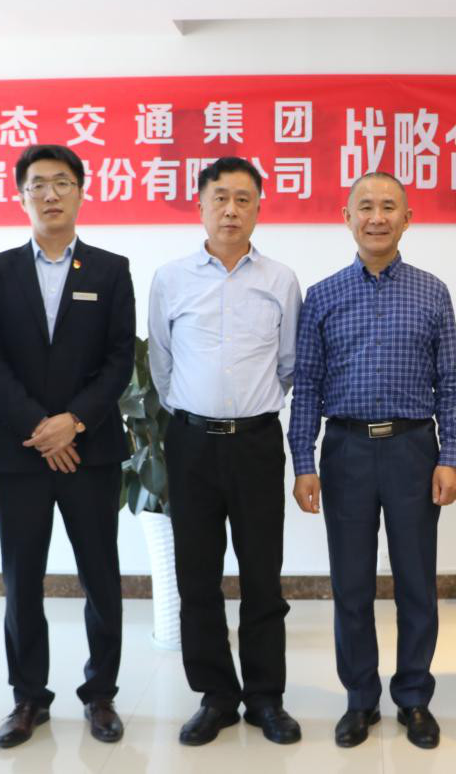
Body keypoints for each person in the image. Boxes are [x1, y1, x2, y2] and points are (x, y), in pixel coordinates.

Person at [289, 172, 456, 750]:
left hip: (415, 450)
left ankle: (413, 697)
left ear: (407, 219)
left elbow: (451, 383)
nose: (377, 217)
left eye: (389, 206)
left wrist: (451, 455)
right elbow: (307, 387)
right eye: (364, 206)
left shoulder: (432, 292)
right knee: (351, 585)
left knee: (417, 582)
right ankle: (360, 698)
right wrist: (304, 462)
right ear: (346, 217)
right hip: (345, 451)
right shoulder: (323, 296)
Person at [0, 144, 135, 748]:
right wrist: (42, 430)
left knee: (100, 576)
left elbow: (119, 359)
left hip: (90, 450)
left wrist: (75, 422)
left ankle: (101, 694)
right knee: (22, 579)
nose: (50, 193)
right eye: (37, 184)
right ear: (21, 196)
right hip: (19, 451)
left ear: (81, 192)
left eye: (62, 182)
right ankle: (27, 698)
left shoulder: (110, 269)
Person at [148, 157, 303, 746]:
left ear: (260, 207)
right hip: (190, 443)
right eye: (220, 198)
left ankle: (265, 697)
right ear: (201, 205)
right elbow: (161, 364)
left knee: (263, 575)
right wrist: (198, 410)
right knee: (197, 577)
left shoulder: (281, 279)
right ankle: (215, 695)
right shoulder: (171, 278)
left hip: (257, 443)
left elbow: (288, 364)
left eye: (243, 199)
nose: (231, 210)